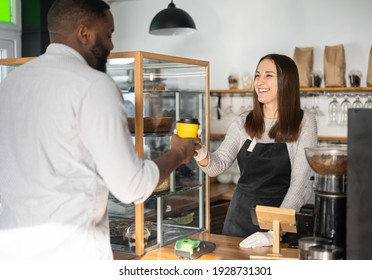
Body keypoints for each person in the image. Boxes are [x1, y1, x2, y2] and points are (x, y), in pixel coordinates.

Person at [0, 0, 198, 259]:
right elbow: (132, 187)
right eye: (108, 34)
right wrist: (179, 153)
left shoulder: (10, 84)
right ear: (84, 33)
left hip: (12, 254)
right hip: (69, 257)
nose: (112, 45)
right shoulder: (93, 85)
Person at [194, 54, 317, 247]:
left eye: (269, 75)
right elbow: (217, 166)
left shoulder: (304, 122)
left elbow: (300, 184)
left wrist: (274, 232)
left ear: (287, 82)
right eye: (258, 75)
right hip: (239, 219)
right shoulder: (243, 122)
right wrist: (199, 152)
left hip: (281, 220)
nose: (260, 81)